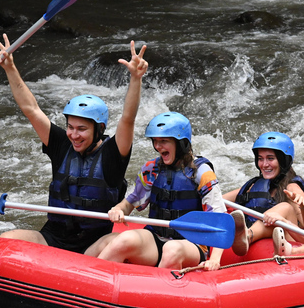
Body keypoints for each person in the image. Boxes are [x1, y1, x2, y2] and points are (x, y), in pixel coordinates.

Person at [0, 34, 148, 253]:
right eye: (70, 127)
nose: (74, 135)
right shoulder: (61, 145)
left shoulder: (113, 154)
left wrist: (135, 79)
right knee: (7, 239)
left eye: (82, 129)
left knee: (115, 243)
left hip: (94, 245)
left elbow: (128, 119)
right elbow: (31, 109)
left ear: (99, 130)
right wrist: (10, 67)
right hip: (52, 237)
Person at [94, 112, 231, 271]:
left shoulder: (202, 172)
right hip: (156, 238)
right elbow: (129, 203)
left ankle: (155, 291)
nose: (158, 147)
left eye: (164, 141)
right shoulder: (152, 169)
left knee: (172, 249)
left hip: (191, 245)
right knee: (123, 240)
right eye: (155, 141)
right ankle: (90, 284)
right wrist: (118, 209)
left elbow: (220, 219)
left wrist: (214, 259)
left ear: (182, 144)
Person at [222, 132, 304, 256]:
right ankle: (244, 236)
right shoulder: (253, 185)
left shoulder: (291, 186)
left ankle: (247, 236)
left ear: (283, 161)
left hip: (289, 241)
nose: (264, 164)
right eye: (260, 159)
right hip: (258, 242)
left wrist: (301, 197)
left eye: (270, 158)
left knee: (284, 207)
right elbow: (218, 201)